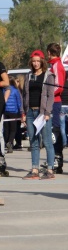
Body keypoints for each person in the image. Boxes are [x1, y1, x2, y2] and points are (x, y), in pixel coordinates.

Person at [22, 50, 55, 180]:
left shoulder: (49, 76)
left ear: (42, 61)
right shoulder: (28, 75)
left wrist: (47, 112)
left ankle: (50, 170)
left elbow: (50, 96)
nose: (36, 63)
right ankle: (34, 169)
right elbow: (24, 94)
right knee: (33, 142)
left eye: (38, 61)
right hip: (30, 112)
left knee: (47, 142)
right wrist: (23, 112)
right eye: (33, 61)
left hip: (42, 113)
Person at [47, 43, 66, 173]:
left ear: (49, 52)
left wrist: (47, 95)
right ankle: (54, 158)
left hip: (55, 102)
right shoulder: (52, 64)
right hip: (51, 101)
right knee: (51, 131)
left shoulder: (57, 65)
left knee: (55, 131)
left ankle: (57, 159)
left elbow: (59, 86)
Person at [3, 75, 22, 153]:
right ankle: (10, 142)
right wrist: (20, 111)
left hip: (5, 111)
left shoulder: (3, 90)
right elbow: (19, 102)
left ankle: (6, 142)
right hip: (14, 112)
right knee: (13, 129)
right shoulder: (15, 90)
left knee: (6, 129)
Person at [13, 74, 25, 150]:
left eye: (17, 81)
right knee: (17, 128)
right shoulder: (20, 90)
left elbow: (20, 102)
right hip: (19, 110)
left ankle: (18, 143)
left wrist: (22, 112)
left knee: (17, 128)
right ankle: (18, 143)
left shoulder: (19, 91)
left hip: (19, 111)